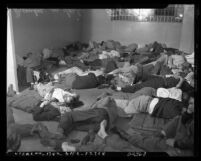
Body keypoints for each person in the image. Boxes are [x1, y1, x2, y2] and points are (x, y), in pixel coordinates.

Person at [84, 95, 194, 156]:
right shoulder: (182, 114)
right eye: (190, 103)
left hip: (145, 99)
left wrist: (169, 137)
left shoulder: (180, 111)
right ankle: (109, 133)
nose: (190, 106)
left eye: (192, 104)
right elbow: (178, 121)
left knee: (122, 106)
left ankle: (118, 134)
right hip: (142, 103)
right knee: (120, 110)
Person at [112, 72, 194, 94]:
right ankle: (131, 81)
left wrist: (181, 80)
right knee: (143, 75)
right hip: (162, 78)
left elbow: (177, 87)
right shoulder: (188, 77)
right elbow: (190, 73)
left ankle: (121, 88)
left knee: (141, 86)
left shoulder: (188, 86)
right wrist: (176, 75)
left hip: (162, 84)